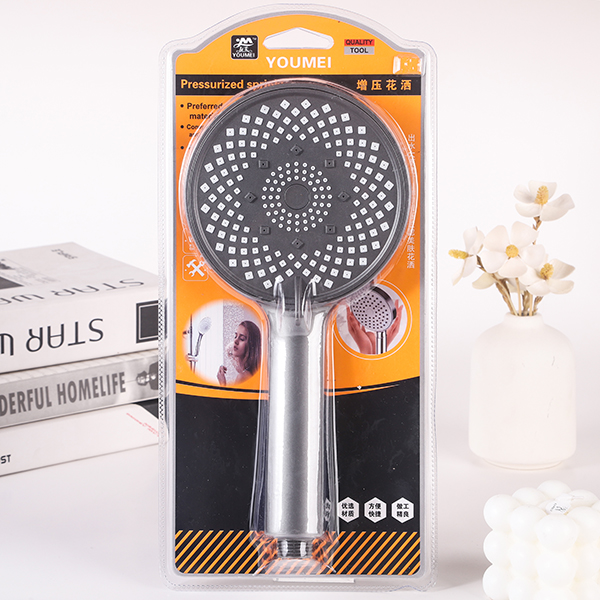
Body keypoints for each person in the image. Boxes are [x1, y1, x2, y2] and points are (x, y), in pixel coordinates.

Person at [217, 320, 261, 386]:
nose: (235, 341)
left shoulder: (242, 377)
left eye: (242, 338)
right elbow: (228, 349)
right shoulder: (253, 373)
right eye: (235, 336)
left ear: (251, 345)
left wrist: (222, 383)